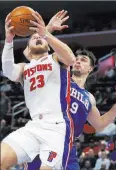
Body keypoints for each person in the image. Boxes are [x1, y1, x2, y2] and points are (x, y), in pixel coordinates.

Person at [23, 10, 116, 170]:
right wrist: (47, 31)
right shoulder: (57, 76)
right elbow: (30, 53)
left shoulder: (89, 98)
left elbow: (99, 125)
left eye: (83, 60)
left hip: (68, 148)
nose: (77, 62)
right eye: (76, 59)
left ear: (91, 68)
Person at [1, 10, 76, 170]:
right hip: (34, 125)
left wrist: (46, 33)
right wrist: (8, 40)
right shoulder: (24, 67)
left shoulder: (55, 58)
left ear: (48, 46)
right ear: (27, 49)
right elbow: (8, 71)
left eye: (41, 37)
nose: (37, 38)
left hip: (57, 126)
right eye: (33, 37)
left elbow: (70, 58)